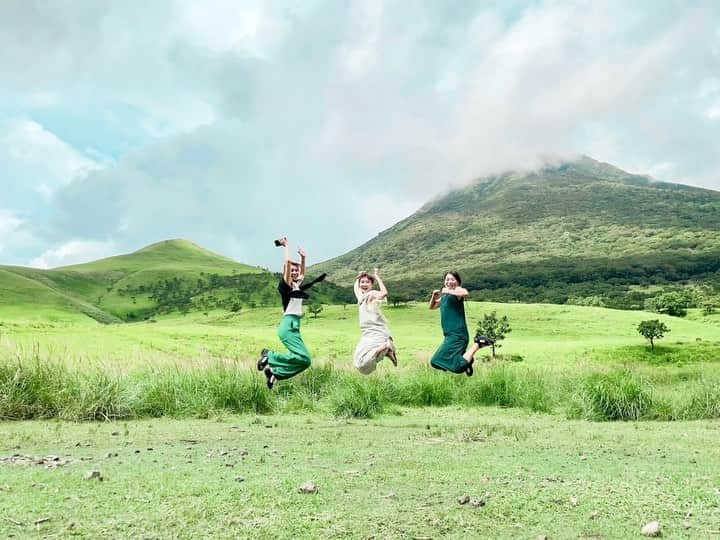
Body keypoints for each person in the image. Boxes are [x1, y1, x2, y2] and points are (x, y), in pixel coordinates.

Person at [257, 237, 326, 389]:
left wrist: (303, 258)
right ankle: (269, 355)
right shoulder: (286, 285)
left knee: (305, 361)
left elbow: (303, 273)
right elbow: (288, 264)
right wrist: (286, 246)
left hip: (295, 325)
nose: (295, 272)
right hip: (288, 325)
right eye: (292, 270)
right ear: (287, 272)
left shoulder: (296, 285)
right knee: (303, 357)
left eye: (296, 270)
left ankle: (274, 374)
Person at [429, 271, 493, 376]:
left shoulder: (457, 292)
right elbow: (432, 307)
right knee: (436, 362)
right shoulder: (445, 296)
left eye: (452, 279)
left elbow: (465, 293)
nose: (449, 281)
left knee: (457, 367)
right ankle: (468, 361)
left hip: (458, 335)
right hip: (449, 335)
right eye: (447, 279)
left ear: (457, 282)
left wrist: (448, 290)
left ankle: (478, 343)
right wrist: (433, 296)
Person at [352, 268, 398, 374]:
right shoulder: (361, 297)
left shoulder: (372, 294)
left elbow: (384, 293)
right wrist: (359, 276)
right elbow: (356, 287)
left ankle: (386, 347)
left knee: (361, 364)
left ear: (372, 284)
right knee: (358, 360)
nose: (364, 284)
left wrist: (377, 276)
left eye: (367, 282)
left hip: (377, 332)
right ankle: (387, 350)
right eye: (362, 282)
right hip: (366, 333)